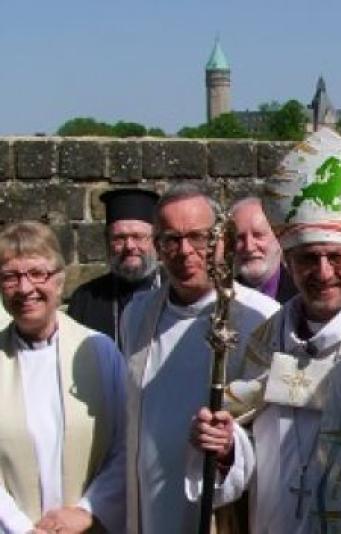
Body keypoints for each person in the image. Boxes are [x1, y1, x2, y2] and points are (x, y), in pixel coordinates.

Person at [188, 127, 341, 533]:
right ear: (287, 262)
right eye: (309, 257)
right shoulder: (264, 340)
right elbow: (253, 447)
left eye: (337, 257)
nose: (323, 273)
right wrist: (227, 451)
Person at [121, 185, 279, 533]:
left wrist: (229, 449)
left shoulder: (262, 319)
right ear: (157, 246)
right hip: (150, 505)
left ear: (221, 240)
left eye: (198, 237)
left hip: (223, 508)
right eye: (171, 239)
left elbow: (275, 430)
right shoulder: (136, 315)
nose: (185, 251)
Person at [0, 221, 126, 533]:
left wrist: (86, 511)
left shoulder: (99, 351)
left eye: (37, 273)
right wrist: (20, 528)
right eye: (11, 277)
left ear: (59, 281)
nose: (25, 288)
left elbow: (126, 444)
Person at [68, 188, 161, 347]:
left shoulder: (173, 292)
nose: (129, 246)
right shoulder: (85, 299)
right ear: (107, 241)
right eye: (119, 238)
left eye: (138, 237)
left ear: (155, 240)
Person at [231, 196, 297, 304]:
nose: (249, 247)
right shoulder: (221, 300)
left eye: (258, 235)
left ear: (279, 237)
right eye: (240, 237)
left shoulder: (304, 294)